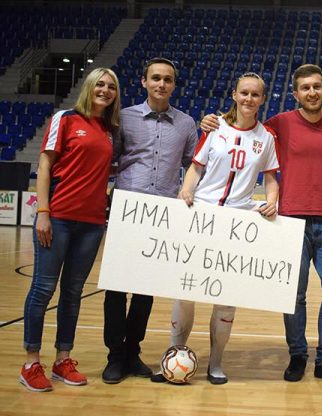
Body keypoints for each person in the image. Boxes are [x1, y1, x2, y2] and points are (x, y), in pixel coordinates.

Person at [202, 64, 322, 384]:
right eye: (305, 88)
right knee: (293, 296)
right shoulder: (279, 124)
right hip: (289, 219)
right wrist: (212, 122)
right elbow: (243, 126)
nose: (312, 92)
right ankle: (298, 355)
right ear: (295, 93)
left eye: (317, 86)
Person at [151, 72, 279, 385]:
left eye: (255, 95)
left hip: (237, 221)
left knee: (225, 299)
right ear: (235, 95)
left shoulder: (267, 138)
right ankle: (173, 354)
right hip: (202, 215)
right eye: (244, 93)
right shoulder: (215, 127)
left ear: (262, 99)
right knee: (185, 293)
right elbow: (196, 166)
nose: (249, 99)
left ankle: (216, 362)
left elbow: (271, 176)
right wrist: (187, 190)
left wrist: (272, 200)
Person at [20, 68, 120, 392]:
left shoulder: (109, 131)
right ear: (89, 87)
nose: (105, 90)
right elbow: (45, 165)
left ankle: (63, 358)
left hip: (91, 225)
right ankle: (31, 362)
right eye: (100, 84)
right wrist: (43, 212)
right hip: (59, 217)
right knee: (43, 289)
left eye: (111, 87)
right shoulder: (65, 118)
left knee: (73, 292)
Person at [102, 58, 198, 384]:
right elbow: (109, 158)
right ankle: (115, 355)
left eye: (167, 79)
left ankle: (133, 352)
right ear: (144, 81)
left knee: (145, 292)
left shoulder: (186, 124)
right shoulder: (124, 118)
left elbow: (196, 167)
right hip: (126, 212)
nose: (161, 84)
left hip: (163, 217)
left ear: (174, 84)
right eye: (155, 78)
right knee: (116, 289)